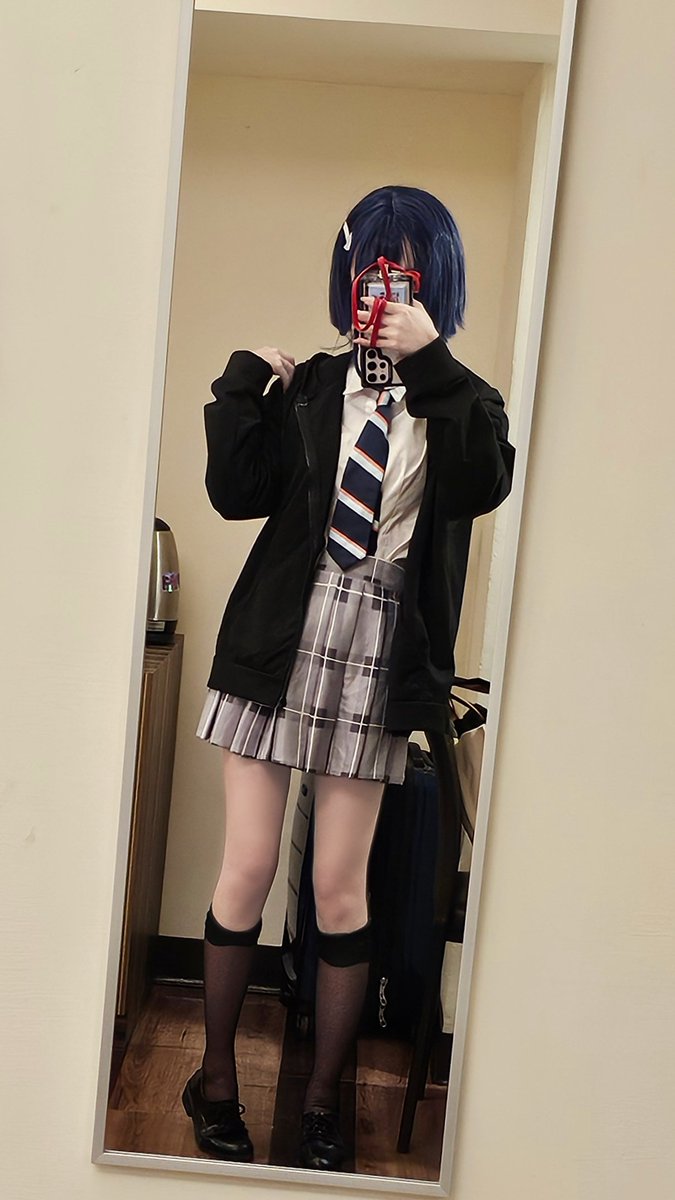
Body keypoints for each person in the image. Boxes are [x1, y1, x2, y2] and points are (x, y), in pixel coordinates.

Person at [180, 185, 515, 1170]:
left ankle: (323, 1102)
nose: (384, 284)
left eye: (404, 268)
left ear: (434, 280)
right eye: (371, 265)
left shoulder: (463, 401)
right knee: (246, 866)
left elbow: (483, 482)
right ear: (349, 275)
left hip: (376, 653)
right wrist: (242, 385)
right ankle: (216, 1080)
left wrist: (432, 363)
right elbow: (235, 493)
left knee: (338, 887)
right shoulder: (315, 386)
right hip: (277, 642)